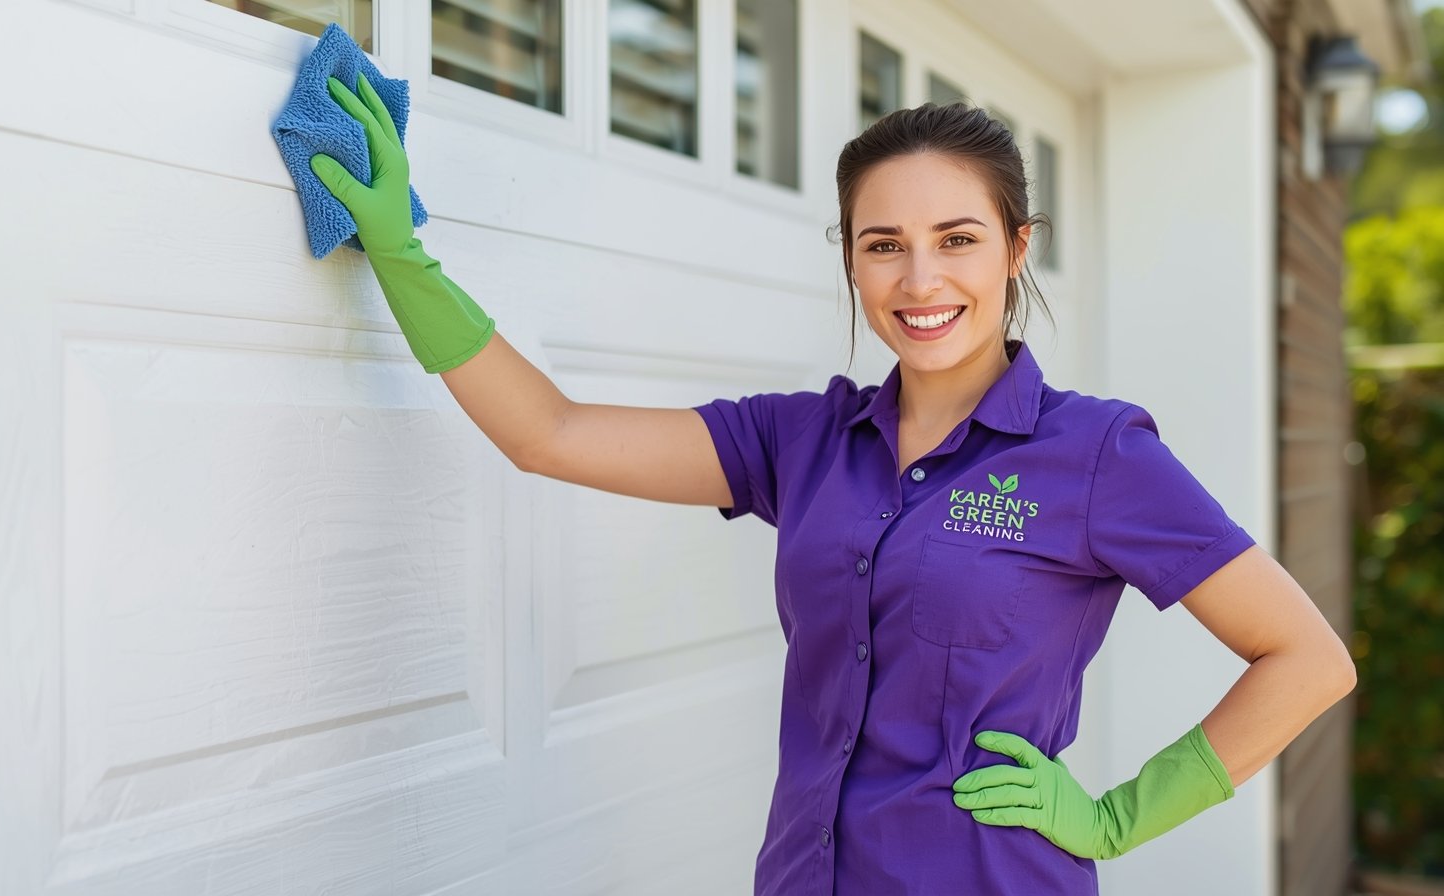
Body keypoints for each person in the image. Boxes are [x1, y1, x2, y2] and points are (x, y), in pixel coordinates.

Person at [308, 76, 1358, 895]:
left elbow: (1306, 658)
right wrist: (404, 256)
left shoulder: (1094, 454)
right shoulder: (801, 438)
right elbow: (551, 432)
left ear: (1015, 248)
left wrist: (1116, 815)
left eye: (957, 239)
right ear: (850, 259)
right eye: (882, 245)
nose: (920, 281)